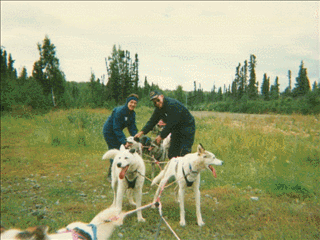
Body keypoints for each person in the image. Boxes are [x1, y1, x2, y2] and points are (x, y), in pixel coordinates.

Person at [135, 90, 195, 160]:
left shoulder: (172, 104)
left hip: (187, 127)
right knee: (172, 153)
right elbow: (152, 121)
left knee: (184, 152)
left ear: (162, 96)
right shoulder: (158, 109)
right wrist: (142, 132)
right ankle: (174, 169)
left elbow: (171, 123)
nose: (157, 103)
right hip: (176, 128)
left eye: (158, 100)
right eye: (154, 102)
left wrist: (161, 136)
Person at [103, 93, 139, 181]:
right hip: (109, 132)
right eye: (131, 102)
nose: (133, 104)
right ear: (127, 102)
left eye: (135, 103)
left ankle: (122, 172)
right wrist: (124, 141)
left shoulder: (132, 114)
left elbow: (132, 128)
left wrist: (137, 138)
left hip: (117, 131)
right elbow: (116, 128)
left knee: (122, 151)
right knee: (116, 151)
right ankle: (111, 175)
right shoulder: (119, 111)